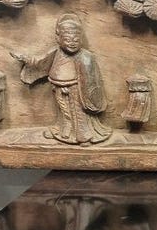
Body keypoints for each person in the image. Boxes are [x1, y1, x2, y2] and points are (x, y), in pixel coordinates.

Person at [11, 13, 112, 145]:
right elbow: (39, 61)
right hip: (58, 88)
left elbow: (91, 80)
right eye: (68, 40)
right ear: (58, 39)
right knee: (64, 113)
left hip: (77, 90)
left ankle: (84, 136)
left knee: (78, 113)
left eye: (76, 40)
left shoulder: (85, 56)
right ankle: (64, 131)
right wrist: (25, 58)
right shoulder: (56, 52)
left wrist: (84, 91)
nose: (72, 43)